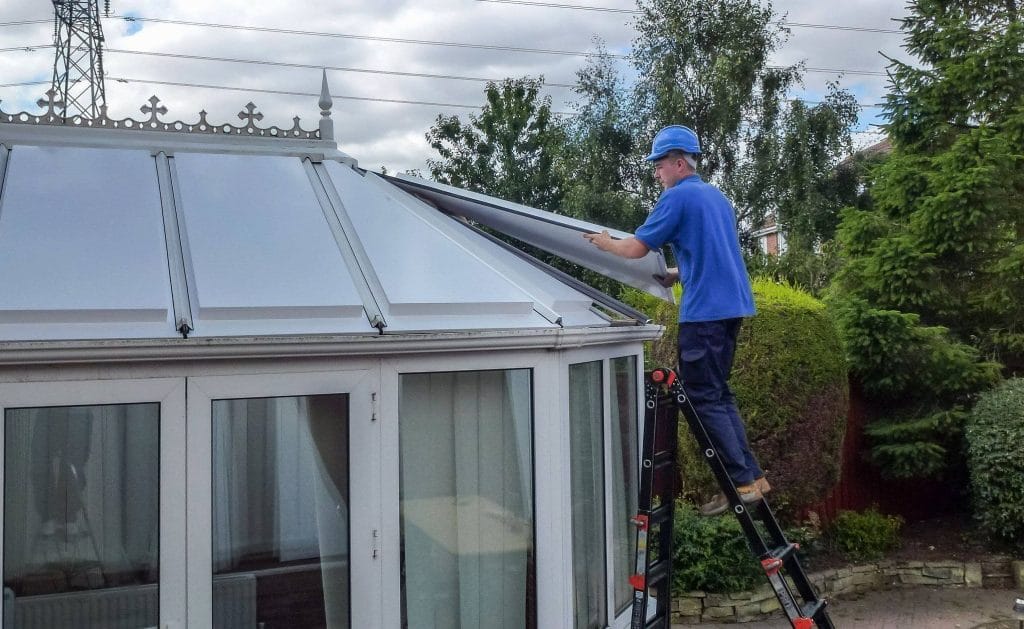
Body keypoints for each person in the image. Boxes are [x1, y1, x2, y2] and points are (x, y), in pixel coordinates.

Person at [583, 125, 768, 516]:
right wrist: (675, 273)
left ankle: (742, 483)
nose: (656, 172)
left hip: (705, 315)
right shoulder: (716, 198)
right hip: (731, 307)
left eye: (659, 164)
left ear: (679, 163)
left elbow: (634, 248)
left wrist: (603, 243)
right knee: (718, 394)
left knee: (703, 398)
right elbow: (713, 254)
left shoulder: (676, 198)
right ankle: (752, 477)